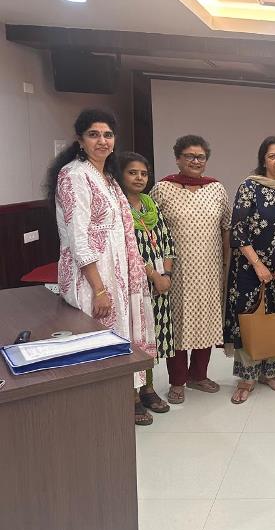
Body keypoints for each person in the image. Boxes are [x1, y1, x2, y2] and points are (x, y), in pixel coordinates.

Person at [46, 109, 156, 426]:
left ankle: (122, 400)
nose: (102, 141)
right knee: (96, 340)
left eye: (108, 135)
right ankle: (99, 413)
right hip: (92, 275)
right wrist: (99, 289)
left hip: (116, 270)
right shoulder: (73, 175)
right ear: (80, 140)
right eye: (94, 134)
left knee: (118, 336)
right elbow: (78, 237)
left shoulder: (107, 176)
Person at [224, 136, 275, 404]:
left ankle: (270, 372)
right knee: (251, 316)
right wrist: (258, 265)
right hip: (250, 268)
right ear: (263, 160)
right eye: (273, 156)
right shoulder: (249, 187)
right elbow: (238, 230)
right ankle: (247, 377)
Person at [150, 135, 231, 405]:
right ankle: (177, 381)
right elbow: (153, 232)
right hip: (177, 271)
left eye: (201, 157)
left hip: (209, 269)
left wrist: (226, 264)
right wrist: (159, 271)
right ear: (177, 159)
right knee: (178, 325)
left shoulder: (216, 188)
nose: (196, 161)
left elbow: (226, 228)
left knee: (206, 320)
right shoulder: (162, 189)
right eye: (189, 156)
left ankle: (199, 375)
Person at [118, 152, 175, 423]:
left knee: (153, 337)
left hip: (159, 286)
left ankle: (148, 388)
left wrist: (166, 274)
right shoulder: (118, 207)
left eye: (143, 173)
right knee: (136, 338)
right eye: (132, 172)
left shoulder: (150, 205)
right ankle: (131, 396)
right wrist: (154, 275)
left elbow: (166, 241)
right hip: (135, 286)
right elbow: (126, 251)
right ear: (120, 175)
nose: (139, 178)